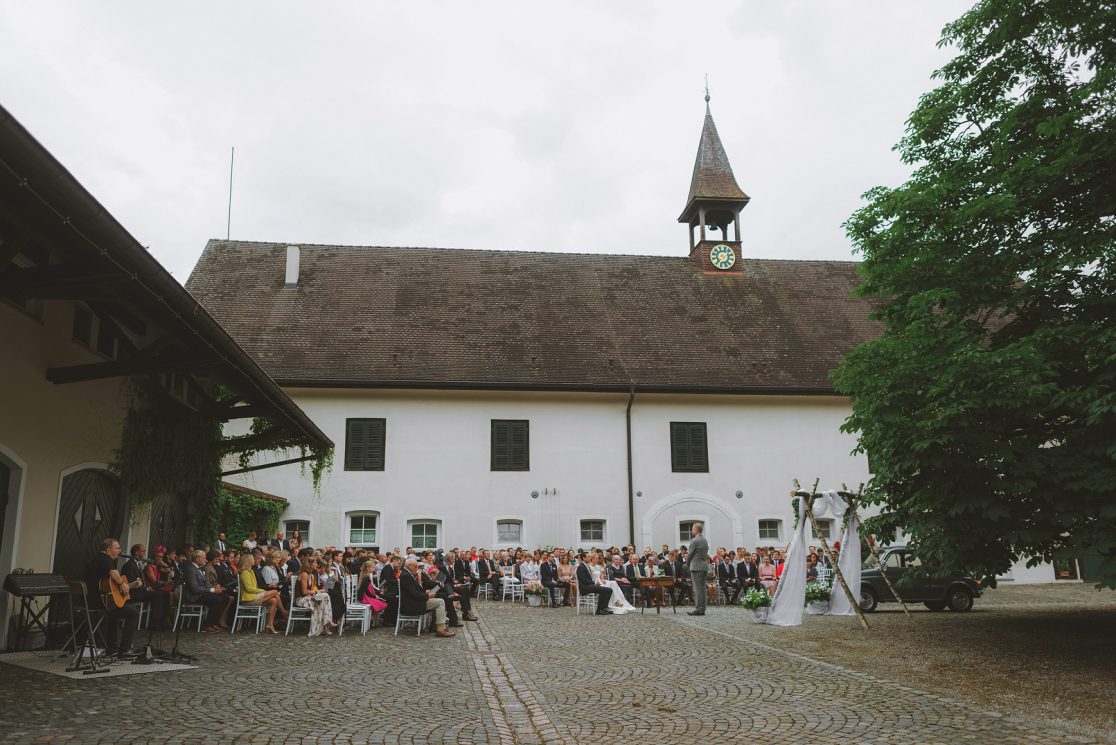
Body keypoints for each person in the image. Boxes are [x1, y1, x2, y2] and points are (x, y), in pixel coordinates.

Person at [85, 537, 140, 657]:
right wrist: (121, 584)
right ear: (108, 549)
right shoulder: (105, 558)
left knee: (115, 614)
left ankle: (112, 648)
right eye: (117, 548)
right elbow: (113, 573)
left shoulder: (97, 559)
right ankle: (125, 649)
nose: (120, 551)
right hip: (100, 602)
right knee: (134, 613)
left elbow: (108, 583)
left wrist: (123, 586)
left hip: (97, 600)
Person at [399, 557, 455, 637]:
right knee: (440, 601)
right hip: (412, 605)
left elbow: (414, 591)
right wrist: (427, 595)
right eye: (415, 566)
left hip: (415, 601)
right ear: (409, 565)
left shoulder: (408, 574)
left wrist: (425, 592)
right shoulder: (406, 575)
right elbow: (413, 594)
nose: (417, 568)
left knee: (439, 599)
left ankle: (437, 627)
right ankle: (441, 629)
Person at [238, 554, 286, 633]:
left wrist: (261, 590)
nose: (254, 560)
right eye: (252, 559)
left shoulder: (250, 572)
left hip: (254, 596)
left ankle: (269, 625)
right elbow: (249, 589)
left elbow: (254, 587)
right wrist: (263, 591)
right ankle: (283, 612)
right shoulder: (245, 573)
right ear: (248, 561)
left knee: (274, 601)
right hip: (248, 599)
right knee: (275, 592)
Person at [182, 549, 229, 632]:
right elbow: (194, 589)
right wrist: (212, 590)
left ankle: (214, 622)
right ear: (197, 559)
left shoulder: (199, 568)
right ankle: (207, 625)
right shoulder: (191, 569)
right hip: (194, 596)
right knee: (217, 599)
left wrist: (215, 588)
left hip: (202, 593)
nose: (205, 560)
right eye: (203, 558)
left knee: (225, 598)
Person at [295, 558, 336, 637]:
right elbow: (304, 592)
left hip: (308, 597)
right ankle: (323, 625)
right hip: (301, 599)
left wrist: (318, 592)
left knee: (326, 596)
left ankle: (326, 623)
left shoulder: (311, 575)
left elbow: (310, 591)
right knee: (320, 600)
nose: (317, 565)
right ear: (309, 564)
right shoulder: (304, 574)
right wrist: (318, 592)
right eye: (315, 563)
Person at [687, 522, 710, 616]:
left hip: (696, 567)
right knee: (703, 588)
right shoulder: (705, 540)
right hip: (704, 566)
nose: (692, 530)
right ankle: (703, 608)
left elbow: (690, 554)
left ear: (696, 530)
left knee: (697, 589)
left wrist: (687, 563)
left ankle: (699, 609)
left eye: (692, 528)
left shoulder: (694, 540)